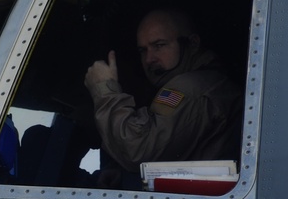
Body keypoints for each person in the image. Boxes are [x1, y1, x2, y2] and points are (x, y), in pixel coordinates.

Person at [83, 9, 242, 175]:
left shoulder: (190, 89)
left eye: (159, 46)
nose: (149, 59)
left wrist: (104, 90)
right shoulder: (207, 82)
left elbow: (139, 152)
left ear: (193, 43)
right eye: (143, 50)